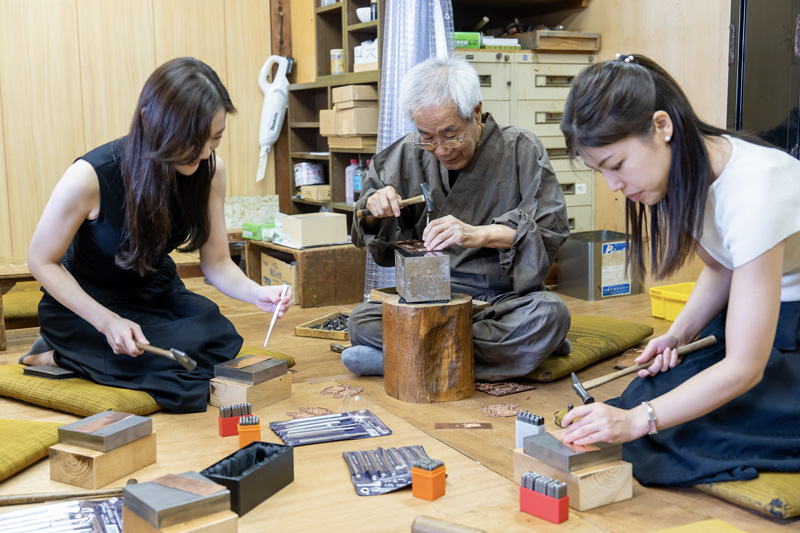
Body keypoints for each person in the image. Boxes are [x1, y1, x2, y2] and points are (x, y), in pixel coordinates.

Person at [559, 54, 800, 485]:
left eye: (616, 165)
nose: (614, 186)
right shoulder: (687, 171)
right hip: (770, 319)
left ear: (662, 126)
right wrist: (678, 335)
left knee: (675, 431)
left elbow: (745, 367)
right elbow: (722, 268)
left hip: (789, 327)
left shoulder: (755, 188)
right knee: (649, 397)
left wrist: (638, 421)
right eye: (600, 172)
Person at [23, 57, 292, 413]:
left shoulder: (210, 170)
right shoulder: (90, 176)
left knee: (217, 334)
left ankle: (86, 354)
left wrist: (257, 293)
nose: (204, 153)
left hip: (155, 291)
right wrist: (107, 322)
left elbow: (217, 263)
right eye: (193, 140)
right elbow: (41, 261)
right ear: (150, 121)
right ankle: (60, 353)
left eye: (214, 139)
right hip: (89, 302)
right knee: (182, 375)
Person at [342, 55, 572, 381]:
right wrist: (373, 210)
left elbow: (550, 230)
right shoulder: (406, 154)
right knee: (361, 321)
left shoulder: (521, 149)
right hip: (428, 299)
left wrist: (477, 234)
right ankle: (502, 357)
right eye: (427, 136)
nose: (441, 149)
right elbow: (366, 227)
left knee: (549, 315)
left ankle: (403, 360)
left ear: (476, 112)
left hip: (502, 301)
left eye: (450, 134)